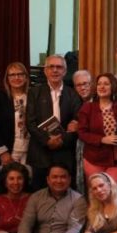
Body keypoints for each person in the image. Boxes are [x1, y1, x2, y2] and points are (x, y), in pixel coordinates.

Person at [26, 55, 82, 190]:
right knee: (39, 194)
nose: (55, 70)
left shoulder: (73, 94)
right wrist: (47, 140)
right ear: (45, 71)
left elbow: (77, 122)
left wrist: (62, 140)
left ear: (65, 71)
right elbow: (30, 122)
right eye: (51, 67)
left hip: (64, 152)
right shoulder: (34, 92)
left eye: (59, 67)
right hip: (40, 152)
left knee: (64, 194)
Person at [77, 73, 117, 186]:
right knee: (97, 194)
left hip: (116, 160)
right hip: (94, 159)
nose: (102, 87)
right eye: (99, 84)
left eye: (106, 84)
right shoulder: (88, 107)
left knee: (114, 195)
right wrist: (102, 139)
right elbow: (82, 133)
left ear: (113, 86)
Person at [0, 62, 30, 167]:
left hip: (31, 151)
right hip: (9, 151)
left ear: (26, 77)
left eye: (20, 74)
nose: (17, 77)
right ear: (7, 79)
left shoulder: (33, 96)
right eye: (12, 75)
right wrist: (2, 152)